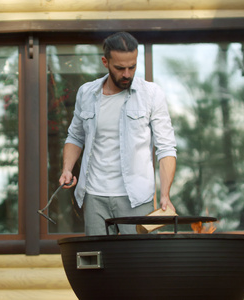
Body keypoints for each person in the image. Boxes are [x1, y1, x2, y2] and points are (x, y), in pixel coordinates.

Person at [58, 32, 177, 235]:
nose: (127, 74)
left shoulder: (151, 94)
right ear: (105, 62)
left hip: (137, 197)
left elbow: (166, 147)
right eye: (120, 68)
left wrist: (165, 193)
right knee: (100, 262)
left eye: (132, 67)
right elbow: (75, 136)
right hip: (94, 196)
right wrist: (67, 168)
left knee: (140, 263)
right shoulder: (86, 93)